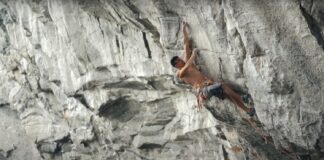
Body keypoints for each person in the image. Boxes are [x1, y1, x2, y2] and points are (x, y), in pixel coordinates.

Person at [170, 21, 255, 116]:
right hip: (203, 91)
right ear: (176, 65)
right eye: (179, 60)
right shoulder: (180, 74)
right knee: (222, 86)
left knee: (227, 93)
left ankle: (248, 110)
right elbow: (187, 66)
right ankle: (242, 98)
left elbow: (186, 45)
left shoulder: (187, 63)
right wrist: (193, 55)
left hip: (208, 85)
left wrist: (184, 29)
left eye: (180, 58)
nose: (182, 59)